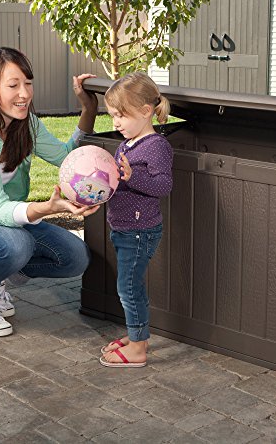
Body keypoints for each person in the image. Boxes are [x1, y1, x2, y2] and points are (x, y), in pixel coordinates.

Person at [0, 46, 100, 337]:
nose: (24, 94)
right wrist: (48, 208)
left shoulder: (26, 124)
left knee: (75, 256)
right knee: (15, 243)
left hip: (5, 227)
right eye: (13, 85)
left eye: (28, 83)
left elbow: (67, 157)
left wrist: (89, 109)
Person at [98, 72, 173, 368]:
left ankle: (138, 348)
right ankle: (136, 335)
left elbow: (164, 185)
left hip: (140, 231)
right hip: (124, 228)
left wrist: (133, 176)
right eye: (113, 116)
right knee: (128, 286)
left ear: (145, 111)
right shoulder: (128, 143)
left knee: (128, 288)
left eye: (121, 115)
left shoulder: (156, 146)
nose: (116, 122)